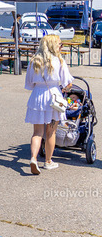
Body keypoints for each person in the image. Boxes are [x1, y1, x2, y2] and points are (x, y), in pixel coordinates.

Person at [24, 34, 73, 175]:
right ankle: (48, 161)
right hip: (53, 97)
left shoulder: (34, 60)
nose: (61, 46)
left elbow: (29, 84)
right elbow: (68, 83)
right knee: (51, 132)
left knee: (37, 132)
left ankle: (33, 158)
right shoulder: (59, 60)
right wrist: (65, 89)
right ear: (53, 45)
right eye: (60, 44)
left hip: (37, 96)